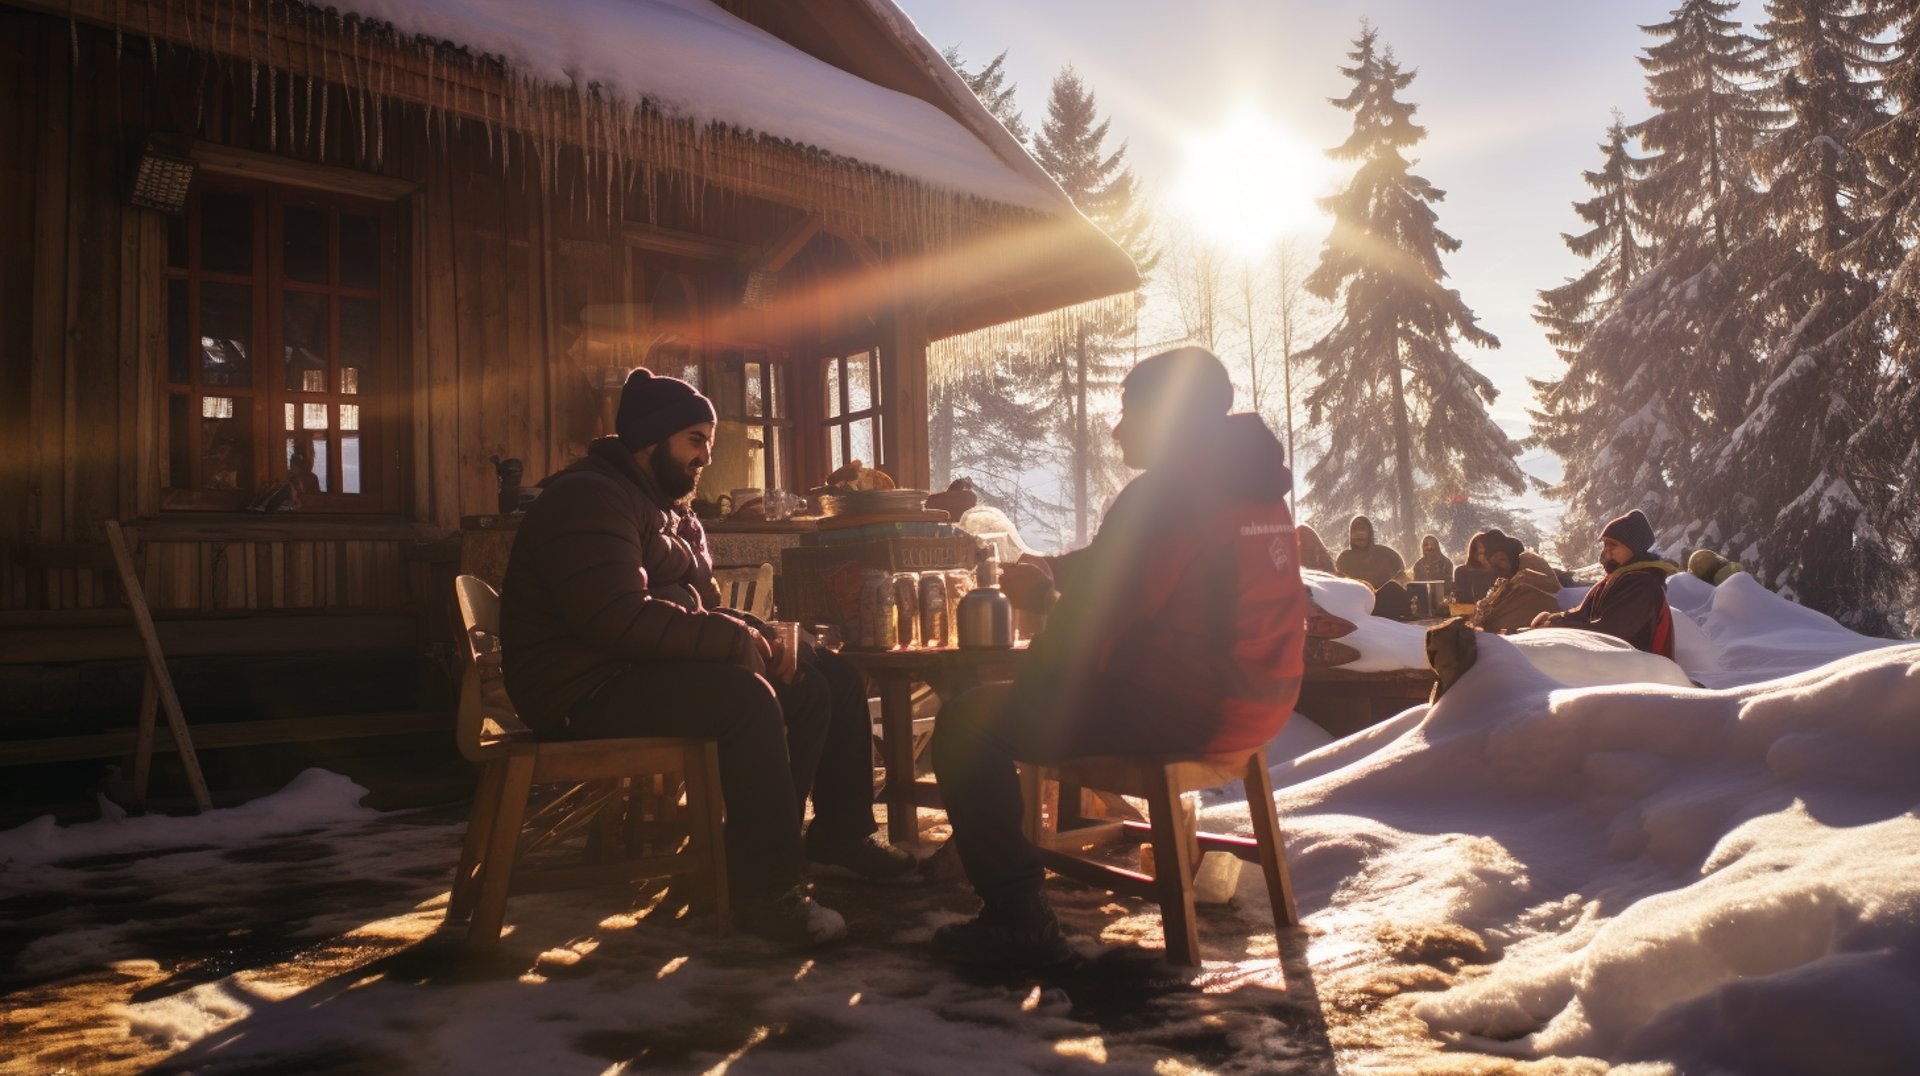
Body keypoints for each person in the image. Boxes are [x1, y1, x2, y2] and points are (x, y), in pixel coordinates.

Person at [500, 369, 909, 948]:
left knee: (827, 679)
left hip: (641, 669)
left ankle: (832, 838)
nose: (704, 458)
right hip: (581, 685)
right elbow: (613, 616)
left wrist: (768, 633)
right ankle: (762, 890)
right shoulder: (589, 497)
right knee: (745, 700)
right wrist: (735, 644)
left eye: (708, 445)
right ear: (651, 439)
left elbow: (704, 608)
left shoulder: (674, 509)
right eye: (694, 441)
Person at [928, 347, 1307, 968]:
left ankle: (1016, 919)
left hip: (1185, 709)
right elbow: (1127, 565)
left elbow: (1093, 621)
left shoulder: (1167, 495)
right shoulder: (1250, 484)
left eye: (1131, 410)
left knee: (970, 723)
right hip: (1263, 703)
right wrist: (1055, 571)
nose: (1117, 427)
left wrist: (1037, 655)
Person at [1531, 509, 1678, 657]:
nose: (1605, 552)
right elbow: (1583, 614)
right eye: (1605, 545)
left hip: (1639, 671)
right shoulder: (1616, 580)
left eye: (1612, 545)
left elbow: (1611, 632)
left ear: (1633, 548)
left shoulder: (1644, 586)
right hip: (1614, 663)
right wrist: (1555, 619)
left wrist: (1556, 626)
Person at [1468, 529, 1561, 633]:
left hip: (1547, 615)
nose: (1500, 566)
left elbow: (1549, 588)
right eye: (1495, 564)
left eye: (1502, 560)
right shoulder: (1506, 575)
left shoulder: (1527, 560)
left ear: (1508, 554)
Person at [1335, 516, 1405, 590]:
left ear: (1369, 533)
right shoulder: (1344, 560)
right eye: (1355, 530)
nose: (1359, 533)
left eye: (1362, 529)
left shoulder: (1388, 555)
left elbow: (1402, 577)